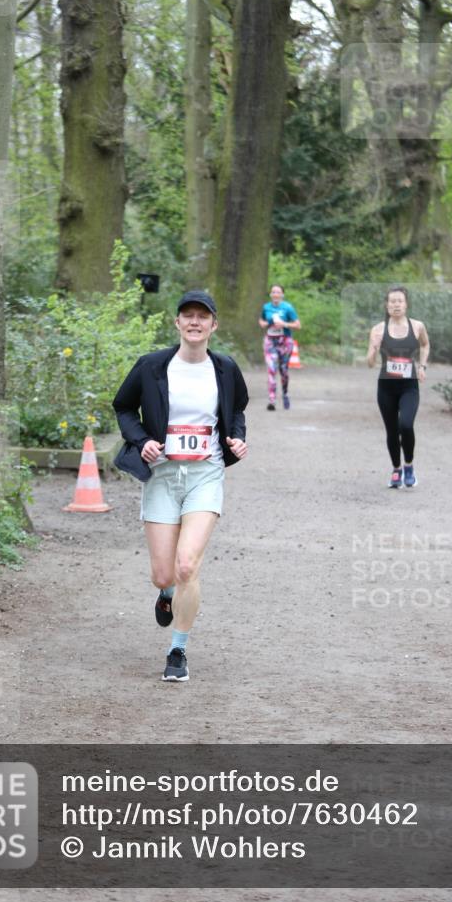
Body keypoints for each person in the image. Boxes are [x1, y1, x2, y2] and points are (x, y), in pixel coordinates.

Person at [112, 290, 248, 682]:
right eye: (187, 315)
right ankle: (166, 594)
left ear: (213, 325)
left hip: (206, 472)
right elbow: (123, 406)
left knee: (187, 565)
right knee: (163, 574)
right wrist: (142, 441)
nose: (194, 322)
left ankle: (178, 650)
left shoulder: (224, 368)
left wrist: (236, 437)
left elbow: (236, 409)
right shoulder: (152, 366)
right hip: (162, 475)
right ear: (177, 323)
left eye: (202, 317)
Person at [366, 285, 430, 488]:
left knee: (406, 425)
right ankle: (396, 470)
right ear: (386, 305)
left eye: (399, 301)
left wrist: (422, 366)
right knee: (392, 430)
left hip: (409, 386)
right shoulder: (378, 329)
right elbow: (369, 363)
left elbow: (425, 345)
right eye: (392, 301)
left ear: (406, 304)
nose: (396, 304)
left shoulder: (417, 326)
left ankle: (409, 465)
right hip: (386, 387)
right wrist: (374, 348)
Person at [258, 284, 301, 410]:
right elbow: (261, 322)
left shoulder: (288, 308)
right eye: (273, 292)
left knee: (283, 371)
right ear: (271, 294)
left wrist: (284, 324)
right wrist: (268, 323)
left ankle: (285, 394)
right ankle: (272, 400)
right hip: (270, 341)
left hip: (285, 342)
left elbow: (298, 325)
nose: (275, 294)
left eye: (278, 292)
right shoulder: (266, 307)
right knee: (271, 369)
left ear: (282, 294)